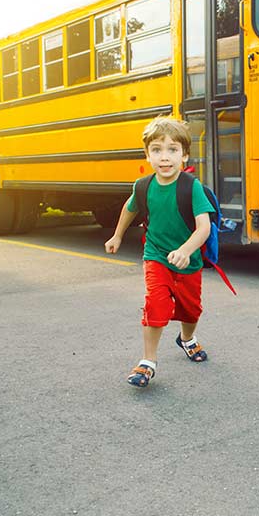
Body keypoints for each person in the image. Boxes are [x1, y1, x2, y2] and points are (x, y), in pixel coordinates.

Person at [104, 116, 215, 388]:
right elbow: (129, 209)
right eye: (157, 150)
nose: (164, 158)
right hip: (156, 256)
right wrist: (117, 235)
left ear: (184, 154)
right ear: (147, 154)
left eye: (172, 150)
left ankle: (187, 339)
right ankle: (148, 362)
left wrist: (187, 250)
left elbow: (204, 227)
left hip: (188, 262)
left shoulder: (191, 187)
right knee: (156, 302)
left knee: (191, 310)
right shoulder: (143, 186)